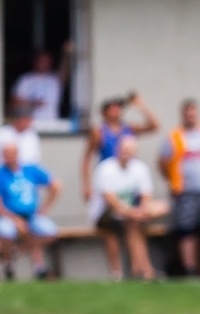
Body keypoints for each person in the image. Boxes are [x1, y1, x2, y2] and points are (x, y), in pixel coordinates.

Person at [91, 133, 167, 281]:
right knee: (131, 224)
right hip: (105, 214)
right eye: (124, 150)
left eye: (130, 151)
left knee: (159, 208)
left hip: (131, 213)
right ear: (118, 150)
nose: (127, 154)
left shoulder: (139, 168)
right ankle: (145, 270)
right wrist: (133, 213)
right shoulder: (105, 169)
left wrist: (142, 210)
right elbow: (110, 201)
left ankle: (139, 270)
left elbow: (146, 195)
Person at [0, 142, 61, 281]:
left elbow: (56, 186)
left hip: (31, 215)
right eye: (6, 154)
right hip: (8, 216)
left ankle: (15, 251)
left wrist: (44, 208)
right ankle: (8, 264)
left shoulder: (30, 170)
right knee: (6, 232)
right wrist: (15, 220)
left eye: (11, 154)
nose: (9, 157)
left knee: (51, 232)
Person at [82, 94, 158, 203]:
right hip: (109, 178)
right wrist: (87, 186)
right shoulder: (99, 132)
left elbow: (154, 126)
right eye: (112, 108)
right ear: (104, 112)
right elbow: (86, 159)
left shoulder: (129, 128)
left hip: (128, 176)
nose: (116, 111)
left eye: (118, 107)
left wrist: (141, 106)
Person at [158, 98, 200, 275]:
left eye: (193, 112)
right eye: (187, 113)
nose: (190, 115)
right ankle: (189, 268)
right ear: (183, 115)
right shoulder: (174, 137)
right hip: (184, 191)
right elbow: (162, 162)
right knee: (186, 230)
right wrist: (172, 181)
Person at [10, 43, 73, 123]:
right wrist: (32, 102)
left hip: (51, 123)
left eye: (47, 60)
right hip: (29, 124)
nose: (44, 63)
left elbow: (65, 71)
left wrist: (67, 54)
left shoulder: (54, 79)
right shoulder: (26, 79)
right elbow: (14, 101)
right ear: (35, 61)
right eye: (41, 60)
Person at [0, 106, 42, 175]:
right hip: (4, 178)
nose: (30, 122)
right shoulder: (1, 134)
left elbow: (35, 160)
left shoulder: (31, 135)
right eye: (27, 119)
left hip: (26, 179)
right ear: (18, 119)